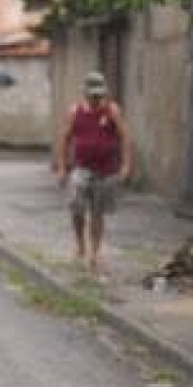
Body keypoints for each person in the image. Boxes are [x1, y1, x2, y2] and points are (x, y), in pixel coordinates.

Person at [54, 71, 133, 272]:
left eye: (99, 95)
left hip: (106, 171)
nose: (96, 99)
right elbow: (64, 139)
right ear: (85, 93)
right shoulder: (75, 111)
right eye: (93, 95)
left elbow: (125, 137)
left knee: (98, 213)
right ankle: (80, 245)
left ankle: (95, 252)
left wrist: (126, 165)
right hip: (82, 169)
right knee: (76, 206)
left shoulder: (112, 110)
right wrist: (62, 168)